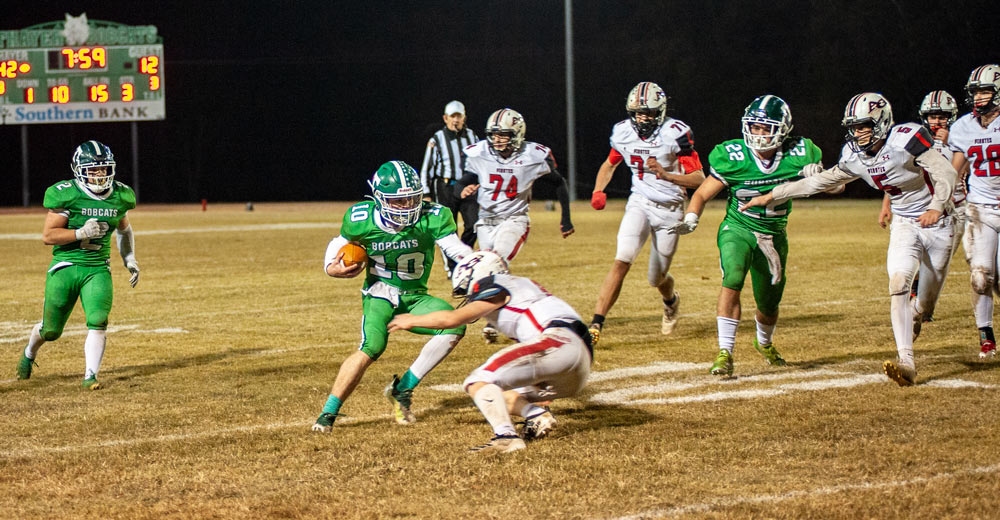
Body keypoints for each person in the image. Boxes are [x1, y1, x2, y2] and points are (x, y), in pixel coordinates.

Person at [741, 93, 958, 386]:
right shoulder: (854, 156)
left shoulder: (907, 138)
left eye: (864, 126)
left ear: (881, 122)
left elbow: (945, 171)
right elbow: (819, 182)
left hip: (940, 222)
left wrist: (936, 206)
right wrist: (772, 195)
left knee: (926, 304)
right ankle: (906, 362)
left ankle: (918, 313)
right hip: (905, 222)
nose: (858, 133)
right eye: (854, 127)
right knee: (898, 282)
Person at [312, 160, 473, 432]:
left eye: (412, 198)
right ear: (380, 199)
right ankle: (328, 413)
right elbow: (339, 242)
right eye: (399, 201)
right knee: (371, 347)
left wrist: (475, 262)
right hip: (380, 293)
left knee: (455, 323)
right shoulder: (361, 219)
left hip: (415, 296)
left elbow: (454, 248)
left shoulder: (432, 215)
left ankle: (403, 388)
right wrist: (331, 267)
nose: (408, 206)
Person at [671, 95, 821, 377]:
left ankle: (763, 342)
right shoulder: (733, 156)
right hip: (738, 228)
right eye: (755, 127)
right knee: (733, 277)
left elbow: (836, 189)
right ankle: (724, 352)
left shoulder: (800, 152)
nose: (760, 133)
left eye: (767, 128)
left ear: (783, 128)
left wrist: (817, 176)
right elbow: (703, 192)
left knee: (769, 302)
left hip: (773, 236)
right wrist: (691, 217)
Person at [388, 250, 592, 454]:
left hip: (558, 342)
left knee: (478, 381)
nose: (470, 296)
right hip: (578, 363)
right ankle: (536, 415)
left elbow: (454, 319)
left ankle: (506, 437)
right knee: (496, 392)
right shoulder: (521, 286)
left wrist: (411, 320)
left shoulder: (494, 282)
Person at [15, 140, 140, 390]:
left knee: (98, 319)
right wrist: (79, 233)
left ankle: (89, 377)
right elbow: (48, 236)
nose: (99, 175)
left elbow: (124, 230)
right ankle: (29, 352)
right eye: (93, 170)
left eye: (103, 169)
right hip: (65, 266)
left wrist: (129, 258)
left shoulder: (120, 195)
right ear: (79, 170)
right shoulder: (67, 194)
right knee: (51, 331)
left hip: (97, 268)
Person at [588, 81, 705, 344]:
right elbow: (609, 164)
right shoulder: (622, 132)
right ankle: (596, 324)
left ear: (660, 112)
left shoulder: (675, 133)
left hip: (669, 209)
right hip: (639, 202)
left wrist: (666, 175)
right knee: (622, 260)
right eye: (639, 112)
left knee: (656, 278)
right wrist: (598, 190)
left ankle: (670, 300)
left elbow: (699, 178)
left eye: (649, 113)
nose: (643, 118)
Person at [456, 108, 575, 342]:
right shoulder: (479, 153)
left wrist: (566, 217)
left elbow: (559, 183)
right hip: (486, 221)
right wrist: (462, 189)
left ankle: (501, 318)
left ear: (517, 134)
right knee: (491, 272)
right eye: (494, 134)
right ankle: (499, 317)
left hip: (514, 220)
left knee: (495, 261)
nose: (497, 139)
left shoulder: (533, 155)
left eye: (504, 134)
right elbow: (463, 181)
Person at [877, 90, 964, 327]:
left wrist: (949, 145)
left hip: (954, 212)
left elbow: (954, 173)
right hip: (922, 209)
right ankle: (915, 301)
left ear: (952, 117)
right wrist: (887, 204)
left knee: (936, 268)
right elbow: (898, 175)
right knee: (913, 257)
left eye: (942, 116)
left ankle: (923, 305)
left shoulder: (960, 137)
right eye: (932, 116)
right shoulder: (916, 137)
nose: (936, 121)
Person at [946, 64, 1000, 359]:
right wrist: (941, 199)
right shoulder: (963, 126)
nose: (979, 97)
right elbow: (955, 168)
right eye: (976, 92)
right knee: (981, 276)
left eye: (985, 91)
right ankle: (986, 337)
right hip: (981, 209)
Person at [419, 100, 480, 273]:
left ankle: (464, 258)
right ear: (445, 118)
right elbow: (427, 168)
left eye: (458, 116)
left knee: (474, 224)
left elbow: (480, 163)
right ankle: (452, 267)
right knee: (447, 229)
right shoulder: (437, 139)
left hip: (467, 187)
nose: (456, 120)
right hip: (445, 187)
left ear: (464, 118)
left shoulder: (472, 137)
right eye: (452, 116)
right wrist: (426, 193)